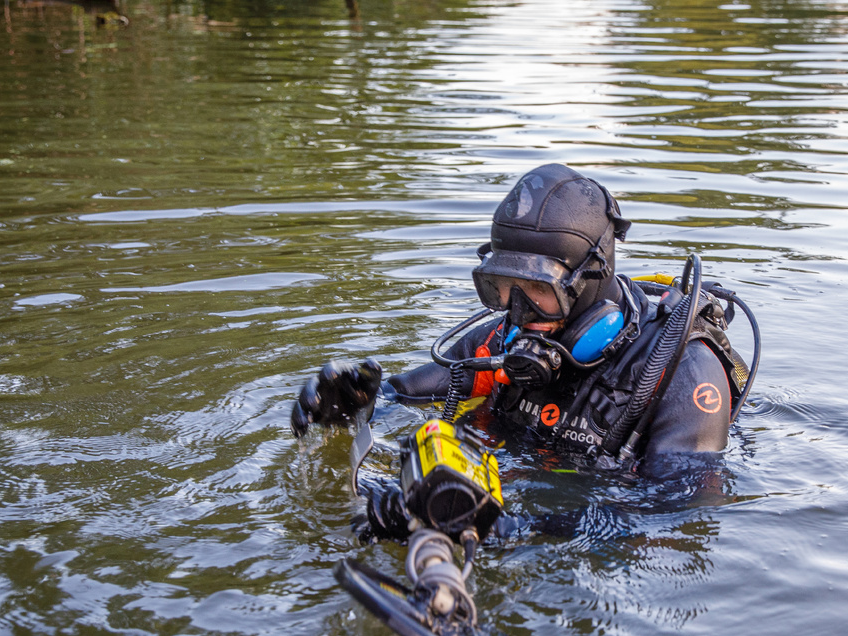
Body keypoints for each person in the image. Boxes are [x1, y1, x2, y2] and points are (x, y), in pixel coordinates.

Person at [291, 164, 753, 535]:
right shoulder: (507, 338)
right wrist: (358, 403)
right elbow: (413, 391)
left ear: (588, 277)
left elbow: (681, 507)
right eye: (501, 287)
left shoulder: (683, 371)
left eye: (536, 287)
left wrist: (511, 527)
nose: (517, 308)